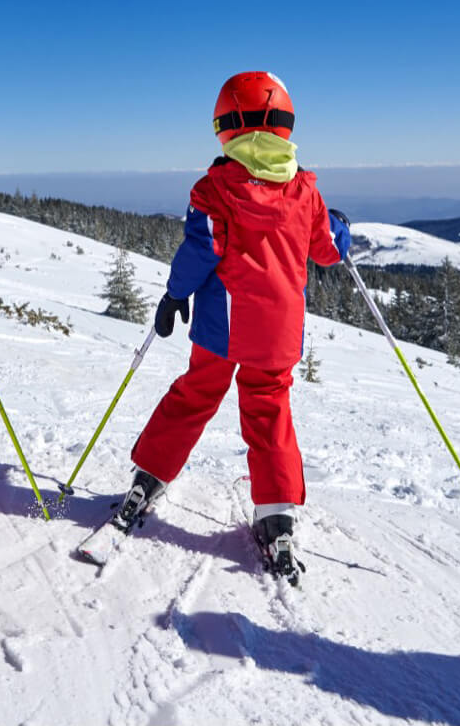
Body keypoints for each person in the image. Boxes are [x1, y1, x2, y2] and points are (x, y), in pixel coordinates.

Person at [110, 71, 351, 581]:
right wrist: (344, 232)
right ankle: (277, 513)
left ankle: (149, 476)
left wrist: (175, 294)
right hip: (279, 331)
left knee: (195, 394)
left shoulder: (215, 188)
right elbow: (327, 249)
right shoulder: (305, 189)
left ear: (226, 126)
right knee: (269, 411)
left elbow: (201, 251)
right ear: (284, 125)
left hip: (223, 324)